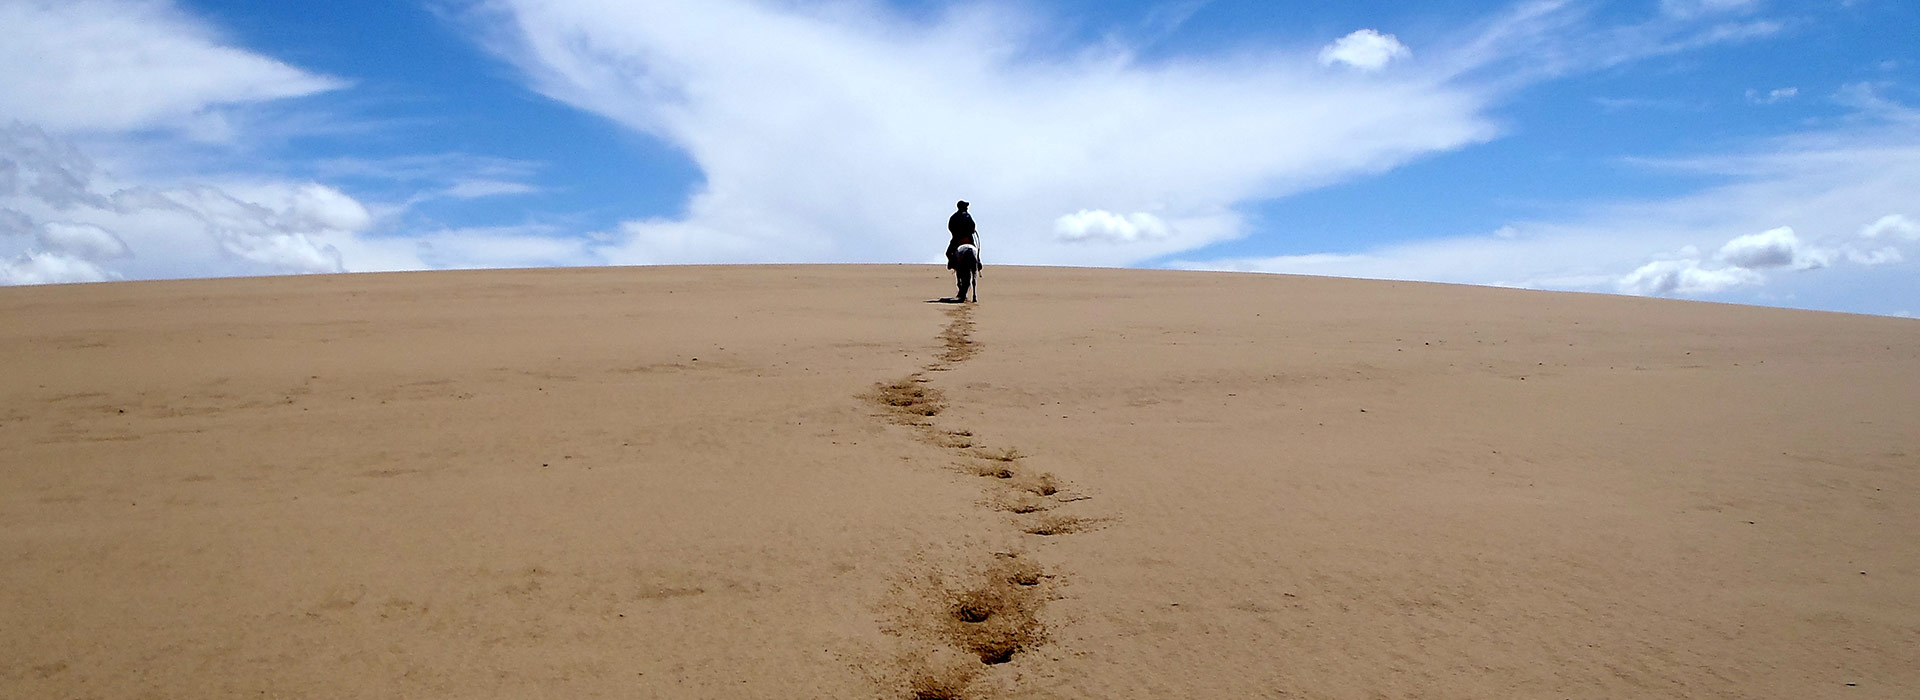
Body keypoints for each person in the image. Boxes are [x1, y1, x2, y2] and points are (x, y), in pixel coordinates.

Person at [946, 200, 979, 301]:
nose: (967, 208)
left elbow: (950, 227)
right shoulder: (968, 216)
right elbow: (973, 227)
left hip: (957, 238)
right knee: (975, 250)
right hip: (968, 238)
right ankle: (978, 263)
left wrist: (955, 233)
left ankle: (952, 263)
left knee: (948, 253)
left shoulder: (954, 217)